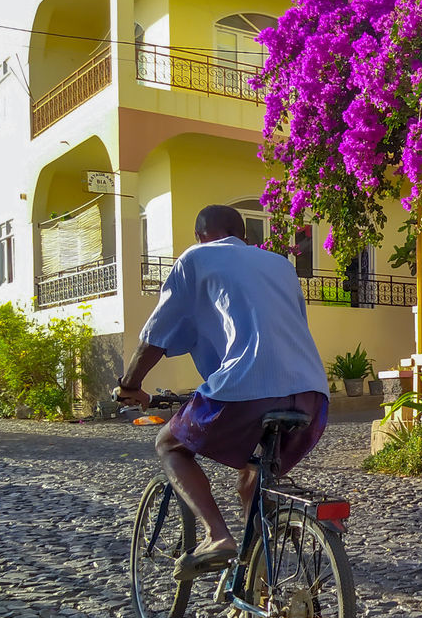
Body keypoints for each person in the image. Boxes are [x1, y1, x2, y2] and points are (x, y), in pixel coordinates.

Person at [114, 204, 330, 579]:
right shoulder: (280, 265)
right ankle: (256, 580)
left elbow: (155, 337)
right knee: (253, 476)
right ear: (244, 236)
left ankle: (218, 536)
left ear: (201, 235)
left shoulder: (196, 258)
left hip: (246, 387)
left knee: (169, 445)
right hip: (312, 395)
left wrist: (130, 385)